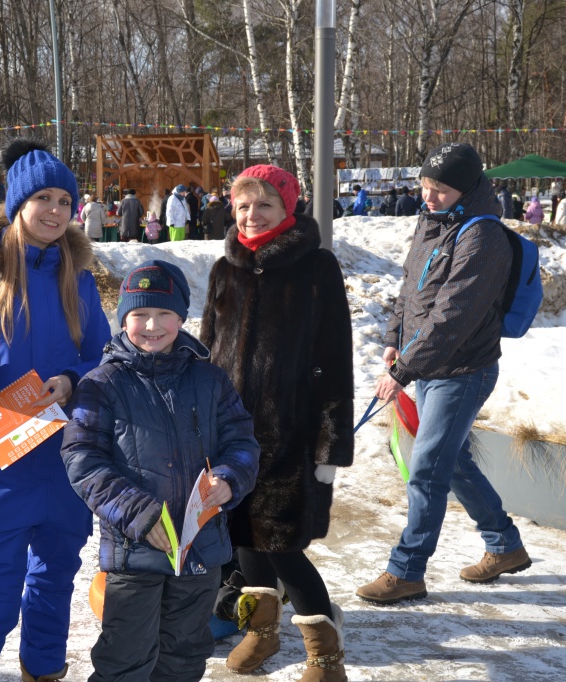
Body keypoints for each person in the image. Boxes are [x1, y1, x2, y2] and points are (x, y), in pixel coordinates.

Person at [0, 138, 112, 682]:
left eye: (64, 200)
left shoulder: (77, 278)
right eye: (43, 199)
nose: (56, 211)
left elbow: (102, 358)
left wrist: (73, 381)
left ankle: (44, 673)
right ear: (16, 203)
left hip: (65, 462)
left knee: (54, 587)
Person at [61, 260, 260, 682]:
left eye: (164, 313)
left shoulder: (210, 380)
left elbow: (241, 441)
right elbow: (82, 459)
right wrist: (140, 514)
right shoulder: (101, 384)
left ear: (182, 317)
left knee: (185, 656)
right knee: (124, 660)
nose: (152, 325)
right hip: (136, 553)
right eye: (139, 314)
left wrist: (227, 480)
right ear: (123, 319)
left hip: (200, 550)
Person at [357, 142, 531, 607]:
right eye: (426, 186)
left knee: (427, 470)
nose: (428, 197)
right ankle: (505, 545)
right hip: (427, 363)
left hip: (463, 370)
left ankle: (406, 571)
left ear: (468, 188)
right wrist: (395, 336)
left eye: (441, 190)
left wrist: (405, 369)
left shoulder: (484, 236)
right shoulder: (432, 220)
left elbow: (454, 315)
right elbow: (411, 289)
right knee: (450, 463)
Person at [200, 165, 354, 681]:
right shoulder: (226, 269)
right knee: (244, 542)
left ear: (288, 207)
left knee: (284, 549)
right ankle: (261, 633)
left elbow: (336, 360)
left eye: (263, 204)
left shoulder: (317, 268)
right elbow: (204, 355)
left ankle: (325, 655)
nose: (251, 214)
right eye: (243, 205)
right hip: (227, 437)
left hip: (291, 438)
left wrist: (332, 446)